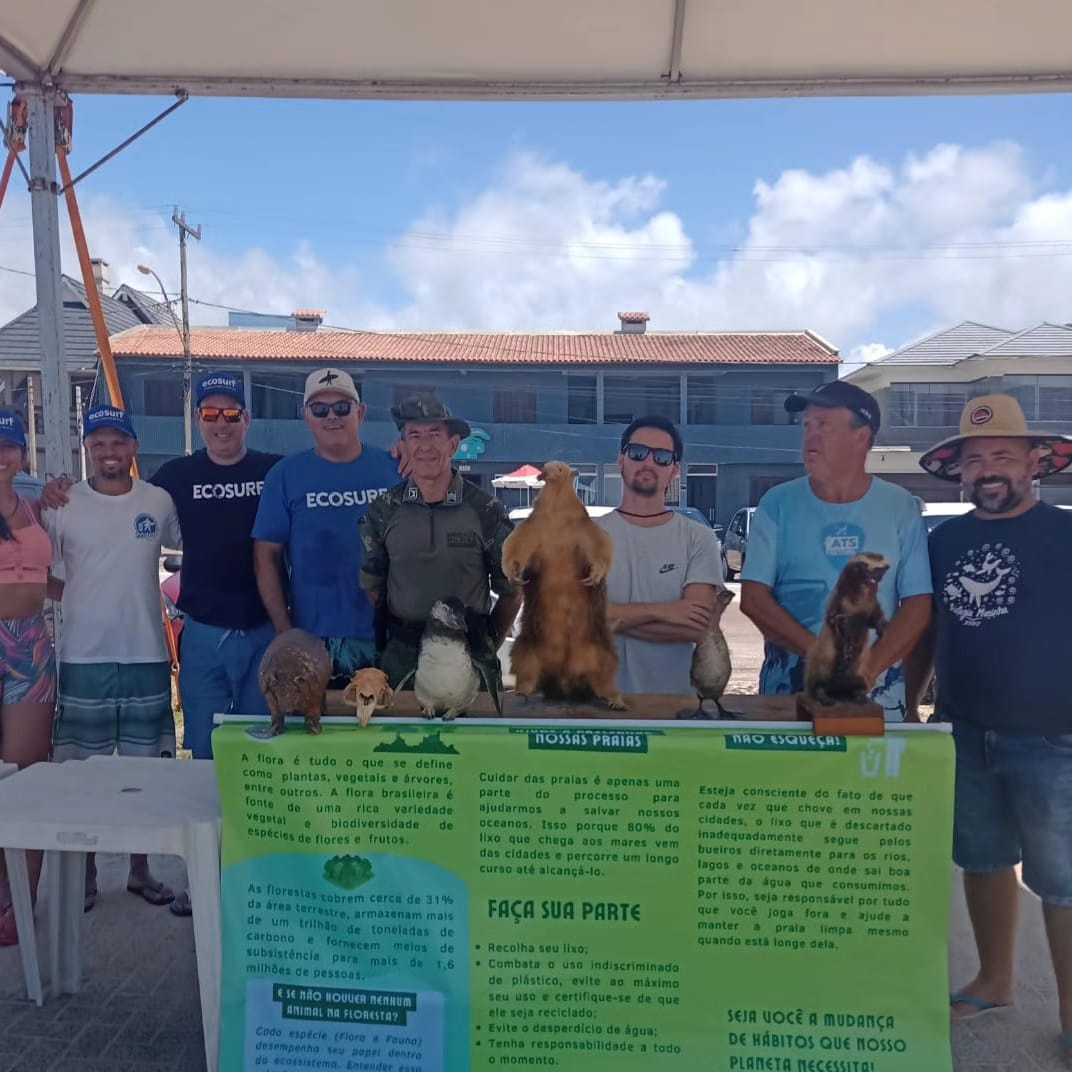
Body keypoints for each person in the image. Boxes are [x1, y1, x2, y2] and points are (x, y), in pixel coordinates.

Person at [904, 394, 1072, 1050]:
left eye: (1003, 455)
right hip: (963, 728)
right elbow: (925, 631)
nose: (988, 470)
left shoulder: (1065, 534)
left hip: (1054, 737)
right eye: (975, 460)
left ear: (1036, 463)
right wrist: (912, 704)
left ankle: (1068, 1014)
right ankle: (995, 980)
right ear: (960, 472)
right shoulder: (944, 540)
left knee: (1061, 880)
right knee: (981, 859)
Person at [43, 405, 182, 911]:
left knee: (144, 775)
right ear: (87, 449)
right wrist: (80, 595)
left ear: (133, 448)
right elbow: (40, 570)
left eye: (117, 443)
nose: (109, 452)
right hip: (82, 656)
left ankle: (139, 871)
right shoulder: (62, 504)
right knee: (82, 774)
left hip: (145, 651)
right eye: (98, 443)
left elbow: (191, 548)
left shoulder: (159, 501)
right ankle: (84, 873)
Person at [739, 380, 932, 720]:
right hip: (790, 695)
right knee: (791, 776)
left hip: (877, 700)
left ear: (862, 436)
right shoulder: (777, 504)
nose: (810, 436)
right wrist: (820, 655)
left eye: (823, 425)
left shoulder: (901, 507)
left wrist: (868, 669)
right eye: (806, 426)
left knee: (871, 775)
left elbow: (917, 605)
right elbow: (754, 598)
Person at [149, 373, 281, 759]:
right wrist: (62, 490)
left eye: (230, 413)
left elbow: (325, 473)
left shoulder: (274, 471)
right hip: (204, 634)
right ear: (198, 419)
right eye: (210, 413)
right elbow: (123, 500)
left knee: (263, 743)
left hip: (265, 630)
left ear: (246, 420)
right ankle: (209, 820)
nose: (221, 423)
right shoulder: (176, 475)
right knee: (207, 746)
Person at [359, 395, 521, 692]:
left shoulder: (486, 510)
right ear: (404, 446)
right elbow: (373, 585)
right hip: (402, 661)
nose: (425, 446)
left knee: (475, 738)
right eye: (415, 436)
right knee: (396, 739)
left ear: (453, 445)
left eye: (435, 435)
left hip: (467, 658)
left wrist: (481, 644)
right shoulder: (383, 510)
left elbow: (511, 592)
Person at [253, 368, 398, 685]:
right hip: (315, 640)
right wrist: (285, 632)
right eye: (320, 409)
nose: (332, 416)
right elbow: (265, 556)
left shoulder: (395, 468)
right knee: (319, 732)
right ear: (307, 416)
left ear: (359, 413)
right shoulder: (284, 475)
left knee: (391, 732)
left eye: (342, 407)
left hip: (390, 635)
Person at [593, 416, 722, 695]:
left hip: (674, 708)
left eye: (662, 457)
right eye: (638, 452)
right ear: (621, 460)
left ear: (675, 469)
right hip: (594, 706)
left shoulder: (698, 538)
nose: (649, 463)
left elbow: (696, 627)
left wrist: (608, 618)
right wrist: (666, 611)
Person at [0, 411, 57, 946]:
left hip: (30, 644)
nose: (1, 455)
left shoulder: (34, 506)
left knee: (27, 774)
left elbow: (42, 576)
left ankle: (20, 898)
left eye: (8, 445)